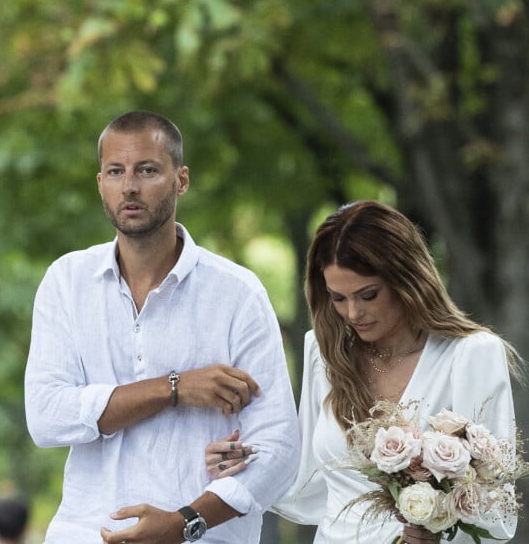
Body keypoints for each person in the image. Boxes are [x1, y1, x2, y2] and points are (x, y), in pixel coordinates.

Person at [24, 110, 300, 543]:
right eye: (116, 171)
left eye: (147, 170)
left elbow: (279, 450)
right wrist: (173, 388)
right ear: (101, 184)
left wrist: (184, 521)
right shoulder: (66, 282)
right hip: (86, 531)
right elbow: (45, 417)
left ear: (181, 181)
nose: (129, 186)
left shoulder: (238, 293)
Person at [206, 200, 524, 543]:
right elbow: (308, 486)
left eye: (367, 295)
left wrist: (438, 535)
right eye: (338, 298)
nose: (353, 313)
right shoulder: (324, 354)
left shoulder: (472, 354)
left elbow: (498, 510)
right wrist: (241, 467)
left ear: (406, 279)